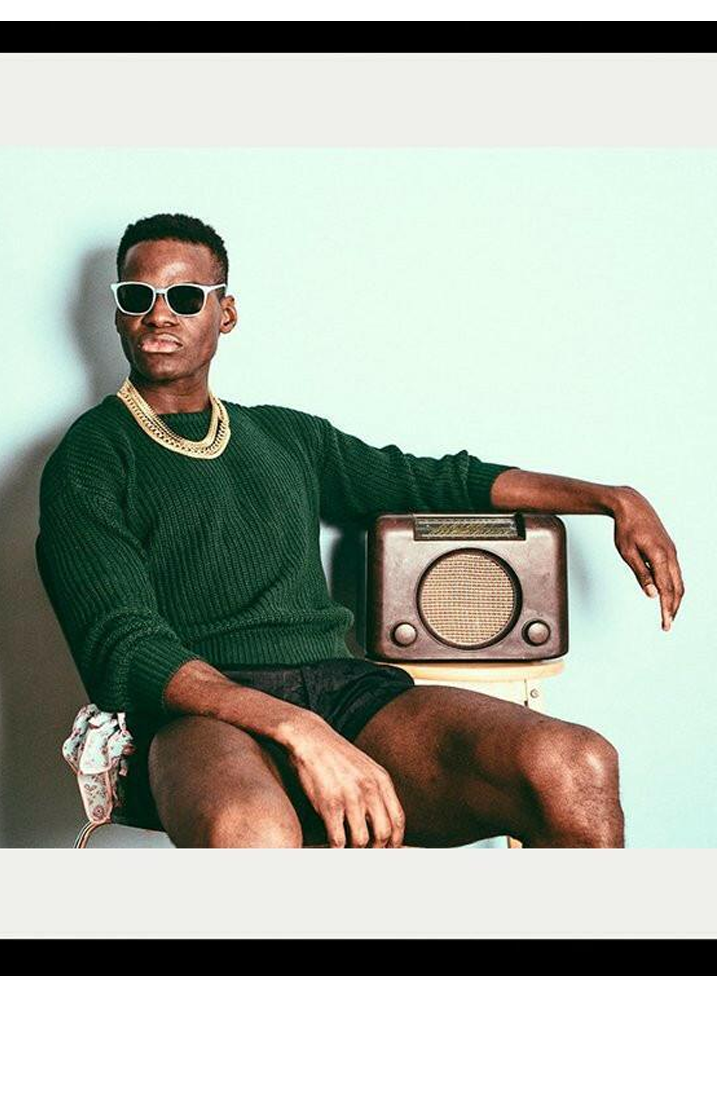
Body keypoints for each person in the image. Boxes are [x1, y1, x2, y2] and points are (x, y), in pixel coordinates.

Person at [36, 213, 684, 848]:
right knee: (250, 830)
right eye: (137, 297)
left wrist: (611, 499)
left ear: (225, 314)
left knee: (577, 766)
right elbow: (124, 649)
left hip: (341, 691)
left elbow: (433, 480)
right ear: (118, 312)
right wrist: (298, 730)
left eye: (183, 296)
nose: (159, 315)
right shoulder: (91, 456)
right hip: (200, 712)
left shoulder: (288, 437)